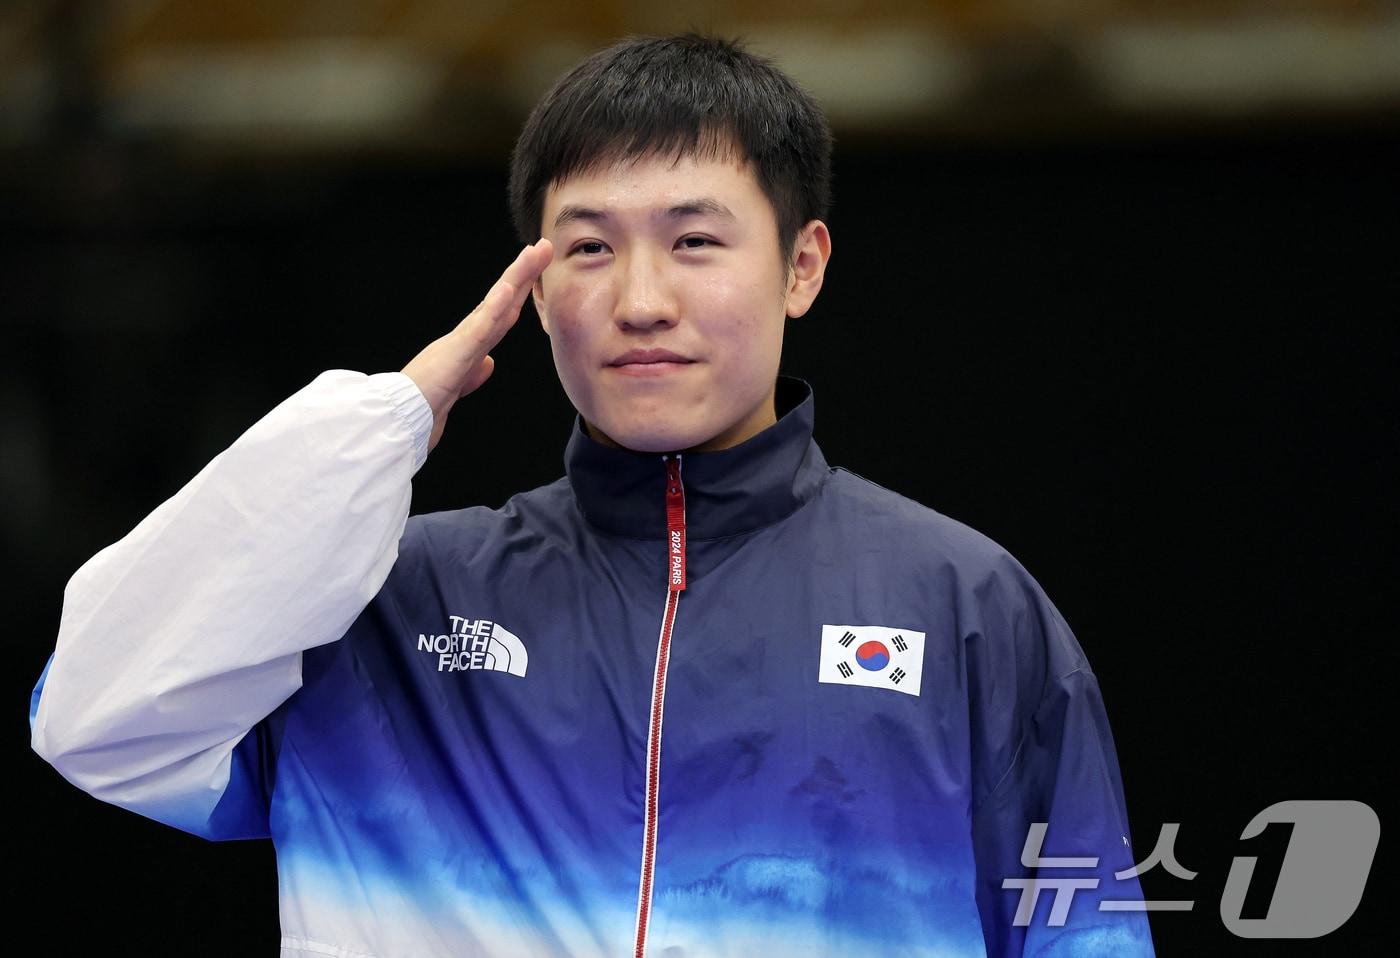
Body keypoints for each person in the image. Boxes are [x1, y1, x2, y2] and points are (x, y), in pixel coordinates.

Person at [29, 32, 1156, 958]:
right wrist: (381, 422)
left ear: (802, 265)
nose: (641, 300)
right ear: (530, 282)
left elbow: (1087, 939)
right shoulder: (384, 604)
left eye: (695, 239)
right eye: (588, 249)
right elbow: (93, 721)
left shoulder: (962, 604)